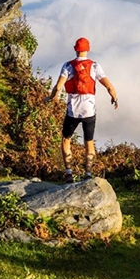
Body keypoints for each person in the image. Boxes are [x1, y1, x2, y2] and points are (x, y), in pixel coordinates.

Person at [46, 37, 118, 181]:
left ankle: (68, 172)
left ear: (75, 48)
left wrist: (50, 98)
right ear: (88, 49)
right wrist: (114, 98)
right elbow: (109, 86)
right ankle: (88, 174)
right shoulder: (95, 66)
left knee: (66, 139)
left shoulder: (68, 66)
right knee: (89, 142)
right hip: (89, 111)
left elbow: (59, 86)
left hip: (73, 110)